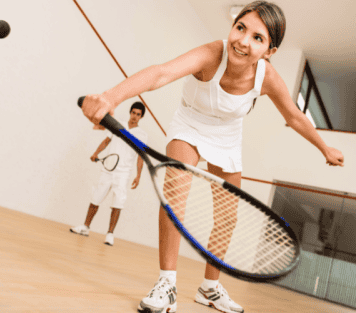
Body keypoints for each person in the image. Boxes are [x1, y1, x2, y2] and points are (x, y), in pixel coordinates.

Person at [79, 1, 345, 312]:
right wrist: (111, 97)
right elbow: (160, 74)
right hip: (190, 124)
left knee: (227, 217)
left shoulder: (266, 77)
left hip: (228, 135)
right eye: (241, 28)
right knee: (175, 199)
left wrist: (324, 147)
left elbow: (295, 116)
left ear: (270, 51)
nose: (243, 41)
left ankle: (210, 288)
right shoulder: (211, 53)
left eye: (258, 38)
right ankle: (167, 283)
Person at [70, 102, 148, 246]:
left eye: (138, 114)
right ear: (130, 113)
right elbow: (106, 141)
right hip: (108, 170)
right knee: (95, 198)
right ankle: (85, 227)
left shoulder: (142, 135)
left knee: (117, 203)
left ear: (141, 117)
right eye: (133, 113)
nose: (135, 116)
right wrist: (96, 153)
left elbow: (140, 156)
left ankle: (110, 234)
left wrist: (138, 176)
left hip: (123, 174)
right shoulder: (118, 125)